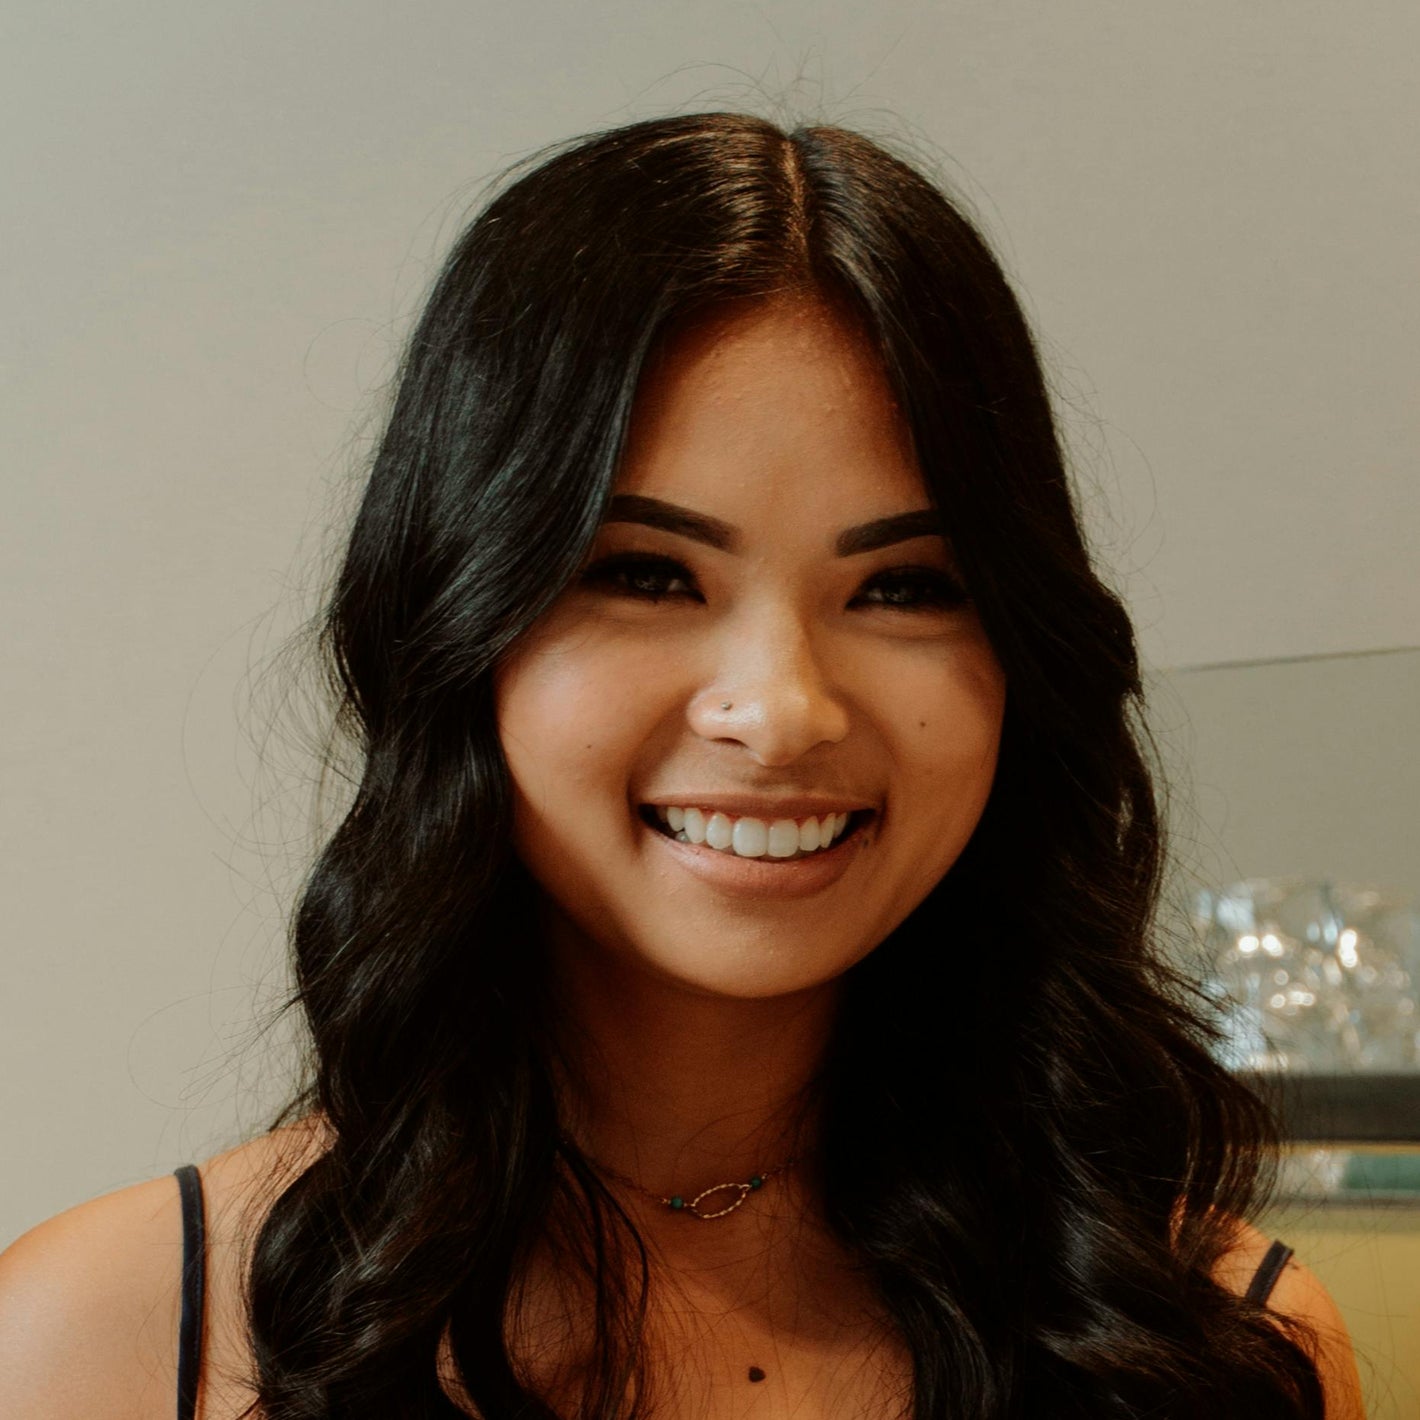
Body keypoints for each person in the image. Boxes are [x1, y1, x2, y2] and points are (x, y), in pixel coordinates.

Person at [0, 111, 1363, 1419]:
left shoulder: (1217, 1351)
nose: (782, 711)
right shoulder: (114, 1341)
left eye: (905, 587)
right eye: (648, 574)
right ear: (458, 627)